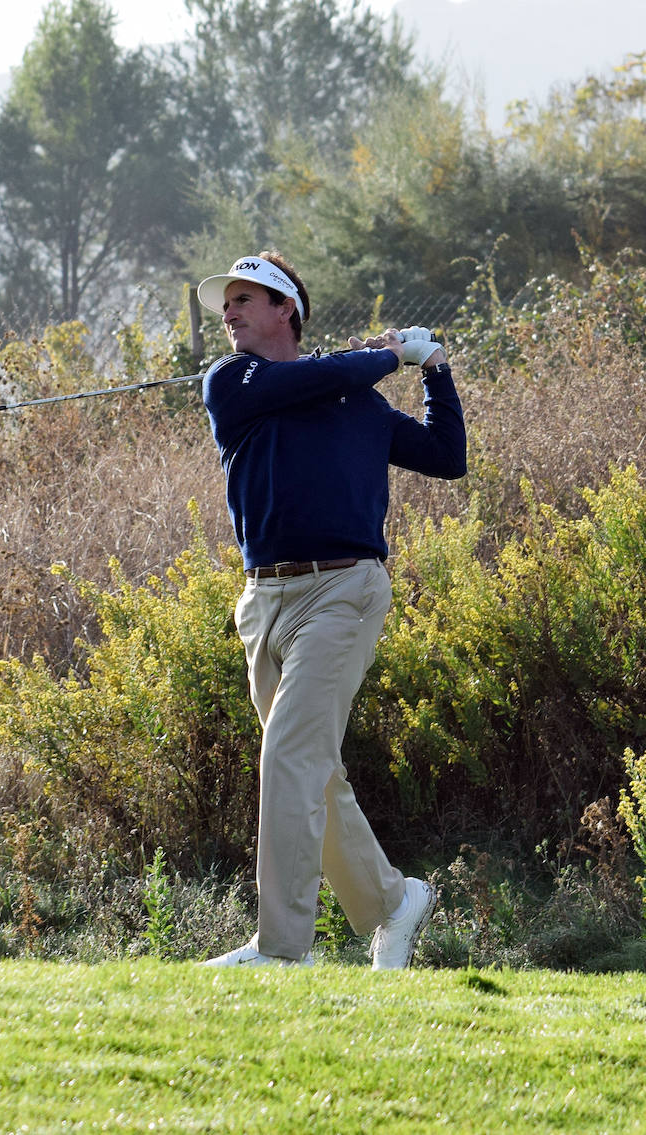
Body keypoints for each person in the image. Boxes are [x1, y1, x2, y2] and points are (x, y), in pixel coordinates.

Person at [196, 251, 466, 968]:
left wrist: (433, 369)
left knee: (289, 756)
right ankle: (392, 901)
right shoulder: (232, 381)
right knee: (311, 767)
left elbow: (445, 455)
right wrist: (383, 354)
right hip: (264, 600)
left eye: (245, 298)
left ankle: (282, 948)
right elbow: (319, 375)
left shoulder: (359, 401)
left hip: (343, 591)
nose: (228, 312)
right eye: (225, 302)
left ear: (286, 308)